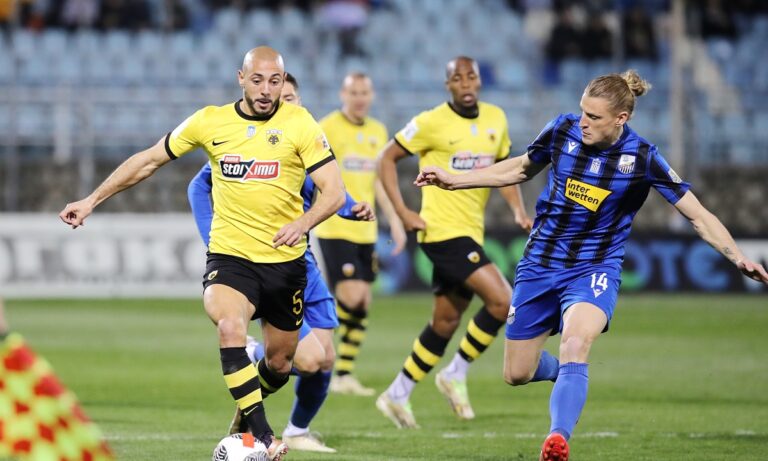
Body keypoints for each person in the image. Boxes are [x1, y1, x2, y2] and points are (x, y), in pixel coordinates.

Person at [414, 70, 768, 460]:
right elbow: (518, 168)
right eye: (583, 111)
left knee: (576, 342)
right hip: (539, 265)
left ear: (621, 118)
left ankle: (558, 439)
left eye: (594, 117)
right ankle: (567, 374)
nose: (583, 121)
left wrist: (736, 256)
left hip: (593, 269)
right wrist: (454, 179)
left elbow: (697, 214)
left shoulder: (642, 157)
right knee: (517, 373)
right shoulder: (562, 130)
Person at [59, 47, 347, 461]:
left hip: (286, 264)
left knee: (281, 364)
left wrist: (303, 223)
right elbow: (149, 160)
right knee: (230, 327)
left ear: (283, 83)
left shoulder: (300, 123)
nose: (266, 90)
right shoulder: (210, 121)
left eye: (275, 81)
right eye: (257, 80)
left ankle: (246, 411)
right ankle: (264, 437)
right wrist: (91, 200)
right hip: (231, 259)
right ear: (241, 78)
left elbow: (334, 192)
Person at [187, 72, 374, 453]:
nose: (279, 102)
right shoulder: (251, 141)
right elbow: (198, 185)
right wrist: (214, 240)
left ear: (299, 103)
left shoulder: (302, 136)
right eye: (276, 96)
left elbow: (327, 190)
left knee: (324, 358)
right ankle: (256, 373)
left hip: (304, 263)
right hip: (264, 261)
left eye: (289, 97)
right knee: (307, 359)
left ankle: (293, 427)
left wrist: (353, 209)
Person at [376, 56, 532, 428]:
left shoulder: (496, 118)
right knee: (503, 301)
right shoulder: (431, 122)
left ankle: (397, 393)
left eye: (470, 76)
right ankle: (456, 372)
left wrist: (518, 210)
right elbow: (385, 158)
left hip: (470, 231)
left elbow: (505, 170)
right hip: (441, 231)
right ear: (448, 84)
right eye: (457, 78)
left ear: (479, 80)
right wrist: (403, 212)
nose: (465, 83)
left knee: (445, 321)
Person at [314, 72, 406, 396]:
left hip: (366, 231)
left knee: (364, 302)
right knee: (351, 297)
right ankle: (315, 344)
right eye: (353, 92)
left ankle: (343, 374)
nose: (359, 98)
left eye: (364, 92)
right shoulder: (327, 127)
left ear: (372, 95)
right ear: (343, 94)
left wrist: (394, 219)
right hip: (335, 226)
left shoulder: (378, 131)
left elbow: (378, 182)